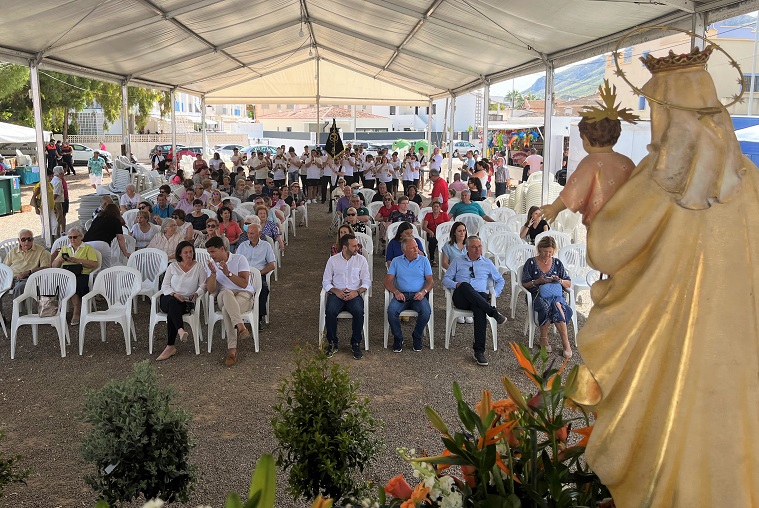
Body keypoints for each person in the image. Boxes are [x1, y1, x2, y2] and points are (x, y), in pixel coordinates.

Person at [541, 111, 635, 227]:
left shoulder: (590, 163)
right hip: (626, 222)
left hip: (599, 223)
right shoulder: (627, 162)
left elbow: (575, 189)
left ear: (586, 139)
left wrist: (554, 208)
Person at [442, 236, 506, 366]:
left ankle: (479, 351)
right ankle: (492, 312)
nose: (478, 250)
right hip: (462, 297)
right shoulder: (457, 261)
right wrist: (456, 285)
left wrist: (494, 294)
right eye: (474, 247)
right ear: (467, 248)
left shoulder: (487, 262)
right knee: (465, 285)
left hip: (480, 298)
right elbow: (446, 279)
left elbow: (500, 280)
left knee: (480, 307)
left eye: (479, 246)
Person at [205, 235, 257, 366]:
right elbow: (211, 290)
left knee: (227, 310)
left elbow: (244, 284)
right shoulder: (212, 265)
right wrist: (213, 274)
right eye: (209, 253)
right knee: (227, 293)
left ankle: (232, 351)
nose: (211, 255)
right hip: (224, 295)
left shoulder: (239, 259)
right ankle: (241, 326)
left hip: (243, 294)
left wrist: (228, 273)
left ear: (222, 249)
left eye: (213, 252)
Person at [521, 236, 573, 358]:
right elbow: (525, 283)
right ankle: (554, 340)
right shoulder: (531, 262)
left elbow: (568, 283)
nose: (548, 254)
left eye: (550, 252)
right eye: (545, 251)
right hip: (537, 295)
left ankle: (562, 342)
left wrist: (559, 281)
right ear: (539, 249)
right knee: (550, 305)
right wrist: (538, 281)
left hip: (556, 295)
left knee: (556, 303)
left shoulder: (558, 263)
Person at [322, 233, 371, 360]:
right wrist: (336, 291)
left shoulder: (361, 260)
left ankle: (355, 343)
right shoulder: (333, 260)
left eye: (357, 245)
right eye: (354, 246)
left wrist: (357, 292)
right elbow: (326, 281)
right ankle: (332, 342)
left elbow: (366, 281)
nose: (357, 248)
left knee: (359, 311)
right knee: (330, 311)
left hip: (354, 293)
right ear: (345, 247)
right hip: (337, 293)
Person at [157, 241, 207, 361]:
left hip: (186, 301)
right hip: (169, 298)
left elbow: (203, 285)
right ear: (180, 254)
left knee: (172, 312)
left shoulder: (198, 267)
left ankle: (170, 346)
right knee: (173, 302)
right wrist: (174, 294)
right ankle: (180, 330)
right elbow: (165, 286)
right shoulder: (172, 266)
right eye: (186, 252)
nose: (189, 254)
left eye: (191, 252)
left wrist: (196, 293)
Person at [384, 236, 433, 353]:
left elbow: (430, 281)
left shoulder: (424, 260)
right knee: (391, 311)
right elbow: (387, 282)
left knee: (426, 312)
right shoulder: (396, 261)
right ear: (404, 251)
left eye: (416, 247)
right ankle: (398, 338)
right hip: (402, 294)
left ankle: (417, 336)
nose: (417, 250)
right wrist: (396, 292)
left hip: (418, 295)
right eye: (413, 248)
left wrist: (423, 292)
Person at [52, 227, 99, 325]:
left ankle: (76, 310)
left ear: (81, 237)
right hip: (67, 274)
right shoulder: (65, 248)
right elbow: (54, 266)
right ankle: (56, 311)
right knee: (54, 284)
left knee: (75, 284)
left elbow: (94, 264)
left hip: (82, 273)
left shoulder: (87, 248)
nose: (72, 240)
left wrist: (77, 261)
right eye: (70, 237)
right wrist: (60, 259)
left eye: (75, 237)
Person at [236, 222, 276, 330]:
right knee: (231, 290)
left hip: (259, 274)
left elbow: (272, 265)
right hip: (243, 275)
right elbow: (236, 262)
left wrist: (259, 273)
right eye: (248, 233)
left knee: (262, 289)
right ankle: (237, 318)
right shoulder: (242, 246)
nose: (250, 236)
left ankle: (258, 318)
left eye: (252, 233)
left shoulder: (266, 245)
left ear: (259, 233)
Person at [5, 229, 51, 306]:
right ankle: (1, 315)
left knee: (19, 287)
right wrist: (9, 279)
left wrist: (29, 272)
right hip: (13, 277)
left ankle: (19, 314)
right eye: (23, 239)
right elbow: (5, 268)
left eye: (29, 239)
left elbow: (45, 268)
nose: (26, 242)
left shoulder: (41, 251)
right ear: (19, 240)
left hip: (28, 277)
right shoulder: (13, 251)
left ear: (33, 240)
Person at [84, 204, 129, 268]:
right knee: (106, 269)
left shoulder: (97, 219)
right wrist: (125, 252)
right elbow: (120, 239)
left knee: (91, 268)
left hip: (86, 243)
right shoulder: (116, 221)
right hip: (101, 244)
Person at [422, 200, 449, 267]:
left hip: (442, 234)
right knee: (432, 241)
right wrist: (429, 231)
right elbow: (424, 226)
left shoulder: (444, 215)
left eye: (437, 206)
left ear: (440, 208)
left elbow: (448, 225)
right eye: (434, 206)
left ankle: (446, 259)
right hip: (431, 233)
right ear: (432, 207)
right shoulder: (428, 215)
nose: (436, 208)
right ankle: (431, 259)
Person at [51, 166, 66, 238]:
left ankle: (56, 234)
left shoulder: (54, 180)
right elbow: (55, 194)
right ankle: (56, 235)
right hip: (57, 202)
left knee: (57, 218)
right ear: (60, 173)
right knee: (58, 219)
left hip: (55, 202)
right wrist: (52, 203)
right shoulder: (58, 182)